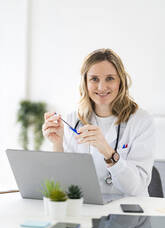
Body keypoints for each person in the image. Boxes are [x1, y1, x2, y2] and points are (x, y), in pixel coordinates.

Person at [42, 48, 155, 199]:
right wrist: (57, 145)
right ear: (85, 82)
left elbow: (136, 187)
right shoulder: (72, 120)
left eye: (110, 78)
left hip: (129, 214)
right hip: (85, 210)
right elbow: (60, 186)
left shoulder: (141, 121)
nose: (102, 87)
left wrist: (108, 152)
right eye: (94, 79)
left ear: (120, 81)